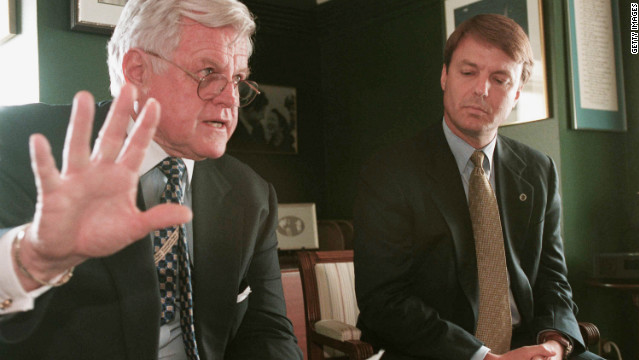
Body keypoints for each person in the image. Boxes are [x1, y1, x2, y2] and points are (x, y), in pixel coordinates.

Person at [0, 0, 303, 359]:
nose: (230, 98)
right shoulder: (17, 145)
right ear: (137, 71)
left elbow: (267, 329)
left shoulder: (251, 193)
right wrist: (31, 261)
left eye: (237, 79)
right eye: (208, 72)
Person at [353, 14, 602, 360]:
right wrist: (482, 357)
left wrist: (555, 344)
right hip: (439, 351)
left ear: (515, 94)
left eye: (499, 79)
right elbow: (384, 301)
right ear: (444, 76)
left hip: (530, 348)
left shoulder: (539, 169)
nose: (481, 89)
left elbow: (553, 280)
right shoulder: (389, 172)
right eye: (468, 72)